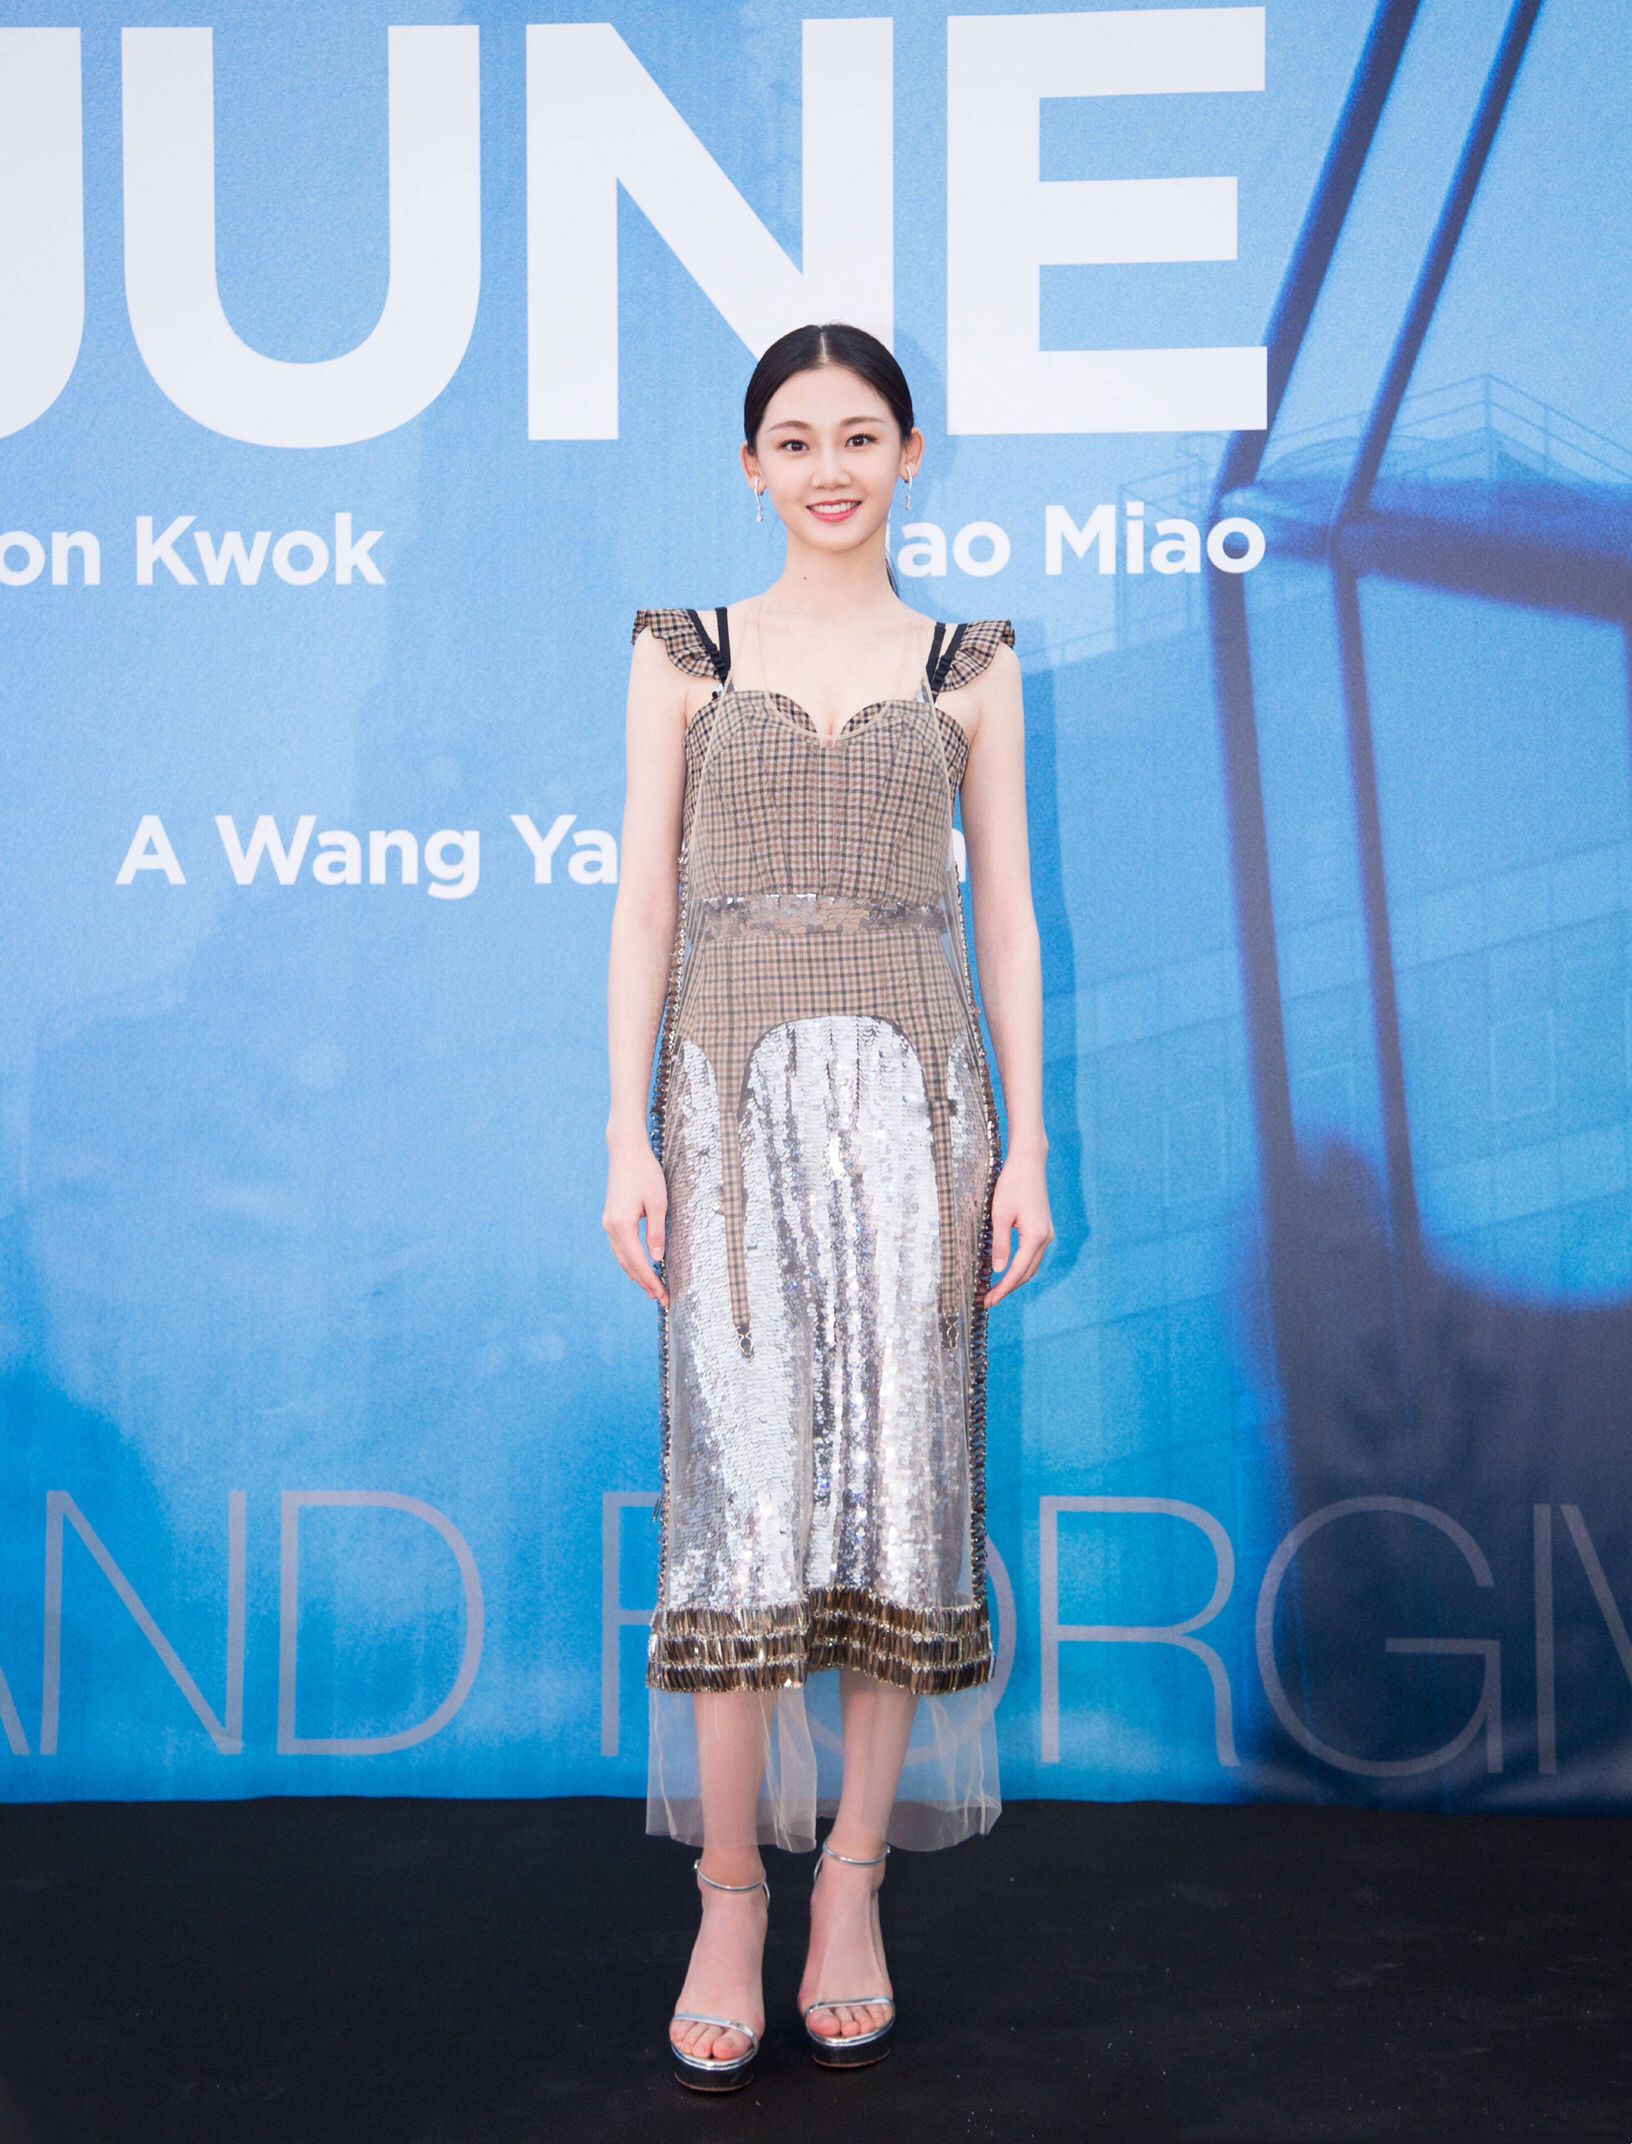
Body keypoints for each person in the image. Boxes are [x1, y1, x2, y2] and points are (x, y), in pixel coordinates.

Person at [603, 322, 1051, 2091]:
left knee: (901, 1489)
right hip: (723, 1104)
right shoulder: (681, 651)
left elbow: (1004, 917)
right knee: (739, 1501)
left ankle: (850, 1882)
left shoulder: (972, 662)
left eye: (860, 434)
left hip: (922, 1111)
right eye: (795, 439)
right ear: (751, 468)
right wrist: (623, 1136)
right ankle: (730, 1895)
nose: (830, 467)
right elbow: (644, 905)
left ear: (911, 453)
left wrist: (1029, 1148)